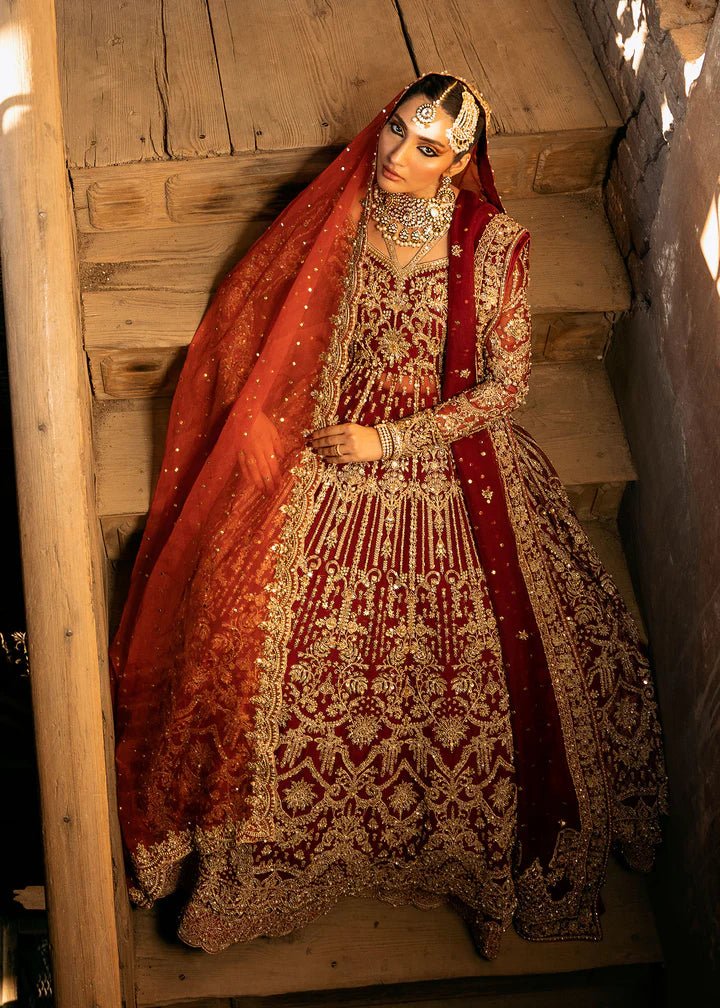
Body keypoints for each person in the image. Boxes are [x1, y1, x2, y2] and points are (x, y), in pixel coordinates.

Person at [109, 71, 668, 958]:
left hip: (440, 459)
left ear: (458, 166)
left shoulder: (495, 244)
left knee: (485, 666)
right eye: (398, 131)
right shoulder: (339, 216)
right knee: (241, 618)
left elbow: (507, 385)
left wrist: (394, 442)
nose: (399, 155)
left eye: (427, 147)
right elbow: (258, 328)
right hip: (324, 433)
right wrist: (257, 417)